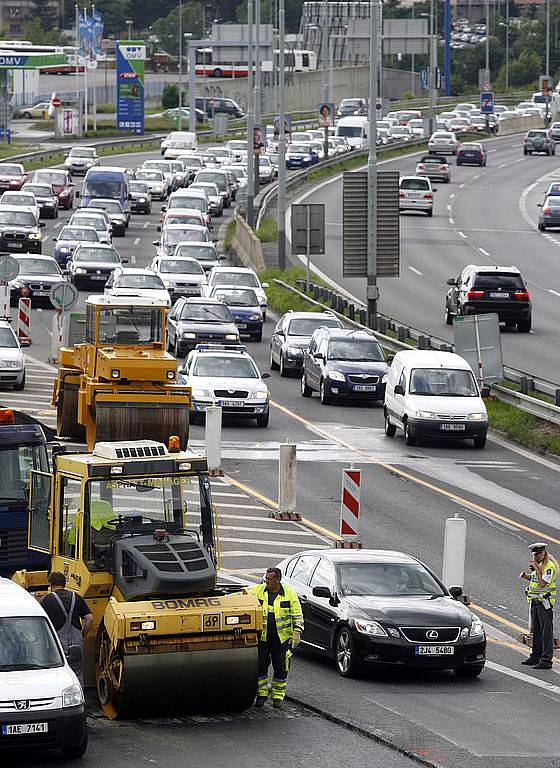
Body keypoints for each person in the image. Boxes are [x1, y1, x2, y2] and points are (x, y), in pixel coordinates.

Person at [250, 567, 304, 709]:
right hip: (263, 638)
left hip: (281, 640)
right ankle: (261, 696)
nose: (266, 581)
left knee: (281, 668)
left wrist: (297, 631)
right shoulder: (259, 590)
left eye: (269, 579)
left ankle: (278, 697)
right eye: (266, 578)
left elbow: (297, 615)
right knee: (261, 668)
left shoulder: (289, 594)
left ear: (278, 580)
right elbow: (243, 594)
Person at [41, 572, 93, 684]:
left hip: (57, 648)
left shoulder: (46, 600)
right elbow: (89, 618)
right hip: (76, 647)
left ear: (51, 584)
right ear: (64, 584)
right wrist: (82, 635)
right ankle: (79, 698)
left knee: (58, 677)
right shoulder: (77, 597)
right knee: (77, 676)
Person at [519, 542, 557, 670]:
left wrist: (537, 568)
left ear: (544, 553)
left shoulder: (549, 567)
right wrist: (526, 576)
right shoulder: (539, 565)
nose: (536, 557)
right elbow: (535, 580)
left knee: (546, 632)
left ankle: (547, 660)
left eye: (539, 554)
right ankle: (535, 656)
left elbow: (542, 583)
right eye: (535, 555)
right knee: (536, 632)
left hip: (544, 603)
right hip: (535, 601)